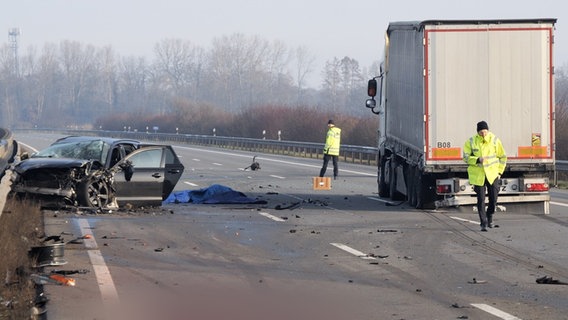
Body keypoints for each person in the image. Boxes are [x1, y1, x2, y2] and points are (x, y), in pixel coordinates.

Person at [463, 121, 507, 231]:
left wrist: (499, 172)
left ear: (488, 131)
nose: (484, 134)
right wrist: (477, 159)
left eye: (485, 132)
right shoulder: (471, 141)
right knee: (481, 199)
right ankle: (483, 222)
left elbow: (503, 157)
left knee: (493, 199)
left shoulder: (494, 140)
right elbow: (465, 157)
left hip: (492, 175)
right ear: (478, 132)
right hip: (479, 176)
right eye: (481, 132)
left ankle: (490, 216)